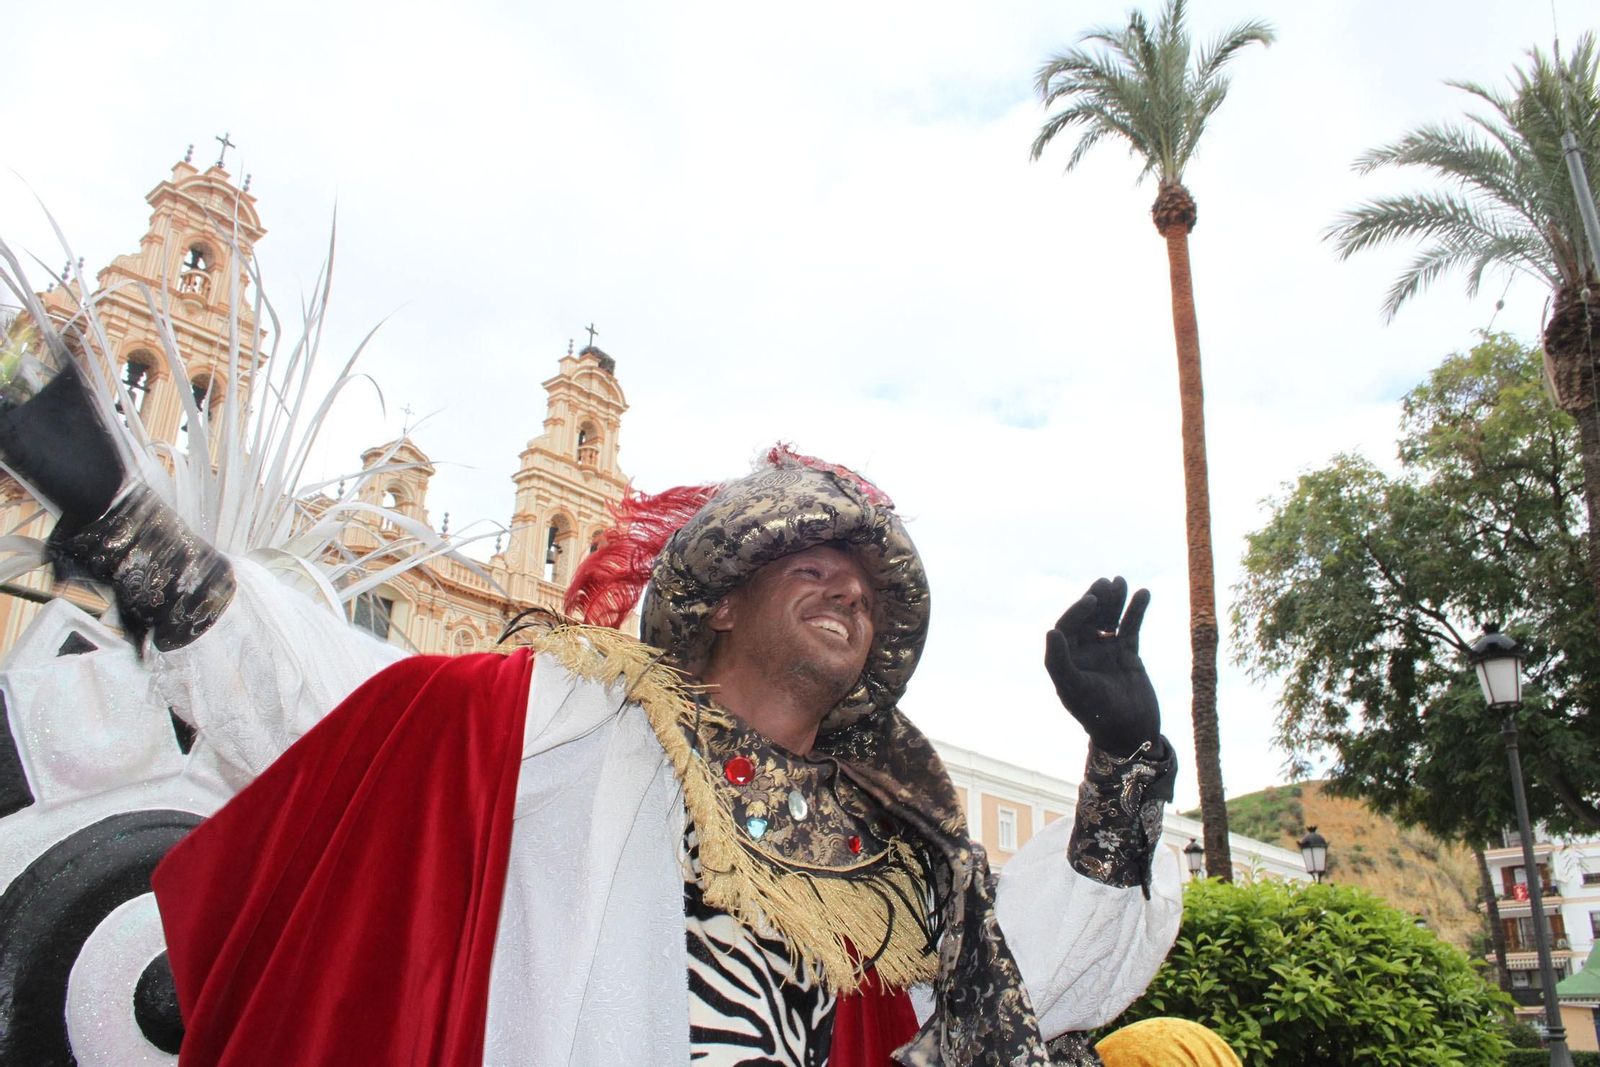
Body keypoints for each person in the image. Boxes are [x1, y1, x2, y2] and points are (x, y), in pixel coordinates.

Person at [5, 365, 1183, 1067]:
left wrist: (1124, 760)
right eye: (815, 564)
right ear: (718, 598)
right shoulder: (569, 723)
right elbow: (322, 702)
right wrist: (120, 513)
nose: (851, 590)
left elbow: (1033, 979)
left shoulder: (887, 857)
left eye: (872, 589)